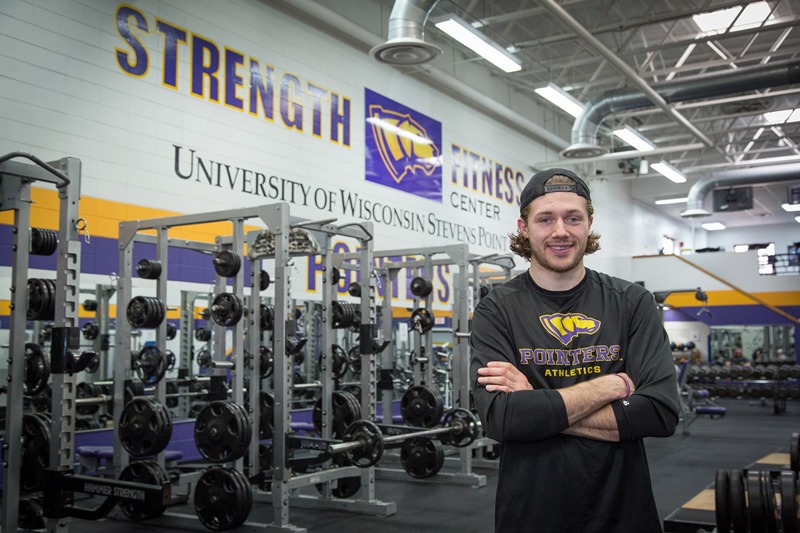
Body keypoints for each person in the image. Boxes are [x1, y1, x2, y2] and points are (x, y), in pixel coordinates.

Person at [470, 168, 681, 533]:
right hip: (532, 514)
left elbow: (659, 414)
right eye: (545, 219)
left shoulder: (632, 302)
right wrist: (610, 388)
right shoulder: (497, 308)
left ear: (589, 223)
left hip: (624, 512)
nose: (560, 232)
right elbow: (502, 419)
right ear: (524, 227)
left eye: (573, 218)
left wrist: (536, 402)